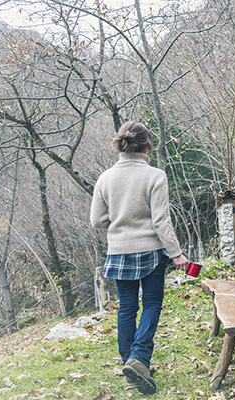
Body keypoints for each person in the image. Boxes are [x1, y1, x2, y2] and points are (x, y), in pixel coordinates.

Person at [90, 121, 188, 395]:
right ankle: (139, 358)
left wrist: (121, 222)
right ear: (147, 146)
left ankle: (129, 362)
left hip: (119, 251)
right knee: (152, 304)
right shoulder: (155, 175)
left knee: (127, 308)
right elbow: (160, 222)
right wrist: (176, 253)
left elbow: (97, 220)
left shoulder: (105, 178)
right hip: (151, 251)